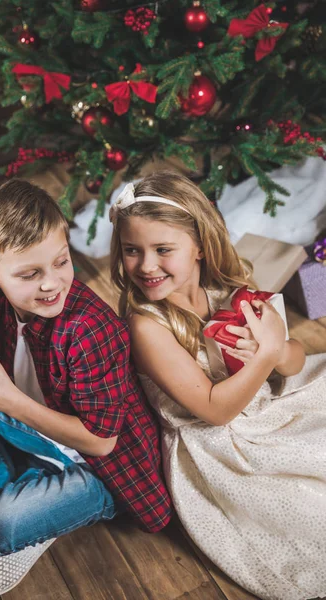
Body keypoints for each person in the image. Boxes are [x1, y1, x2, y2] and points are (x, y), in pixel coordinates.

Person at [0, 179, 172, 599]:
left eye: (61, 262)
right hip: (43, 435)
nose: (51, 284)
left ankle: (26, 508)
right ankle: (23, 497)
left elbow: (101, 444)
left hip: (101, 471)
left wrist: (7, 400)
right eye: (30, 274)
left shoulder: (89, 329)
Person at [109, 171, 326, 600]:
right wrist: (263, 357)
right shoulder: (147, 326)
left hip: (264, 404)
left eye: (163, 249)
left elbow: (294, 356)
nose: (146, 265)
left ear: (200, 248)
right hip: (221, 442)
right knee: (308, 508)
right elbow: (214, 409)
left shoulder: (224, 290)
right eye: (132, 250)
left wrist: (276, 349)